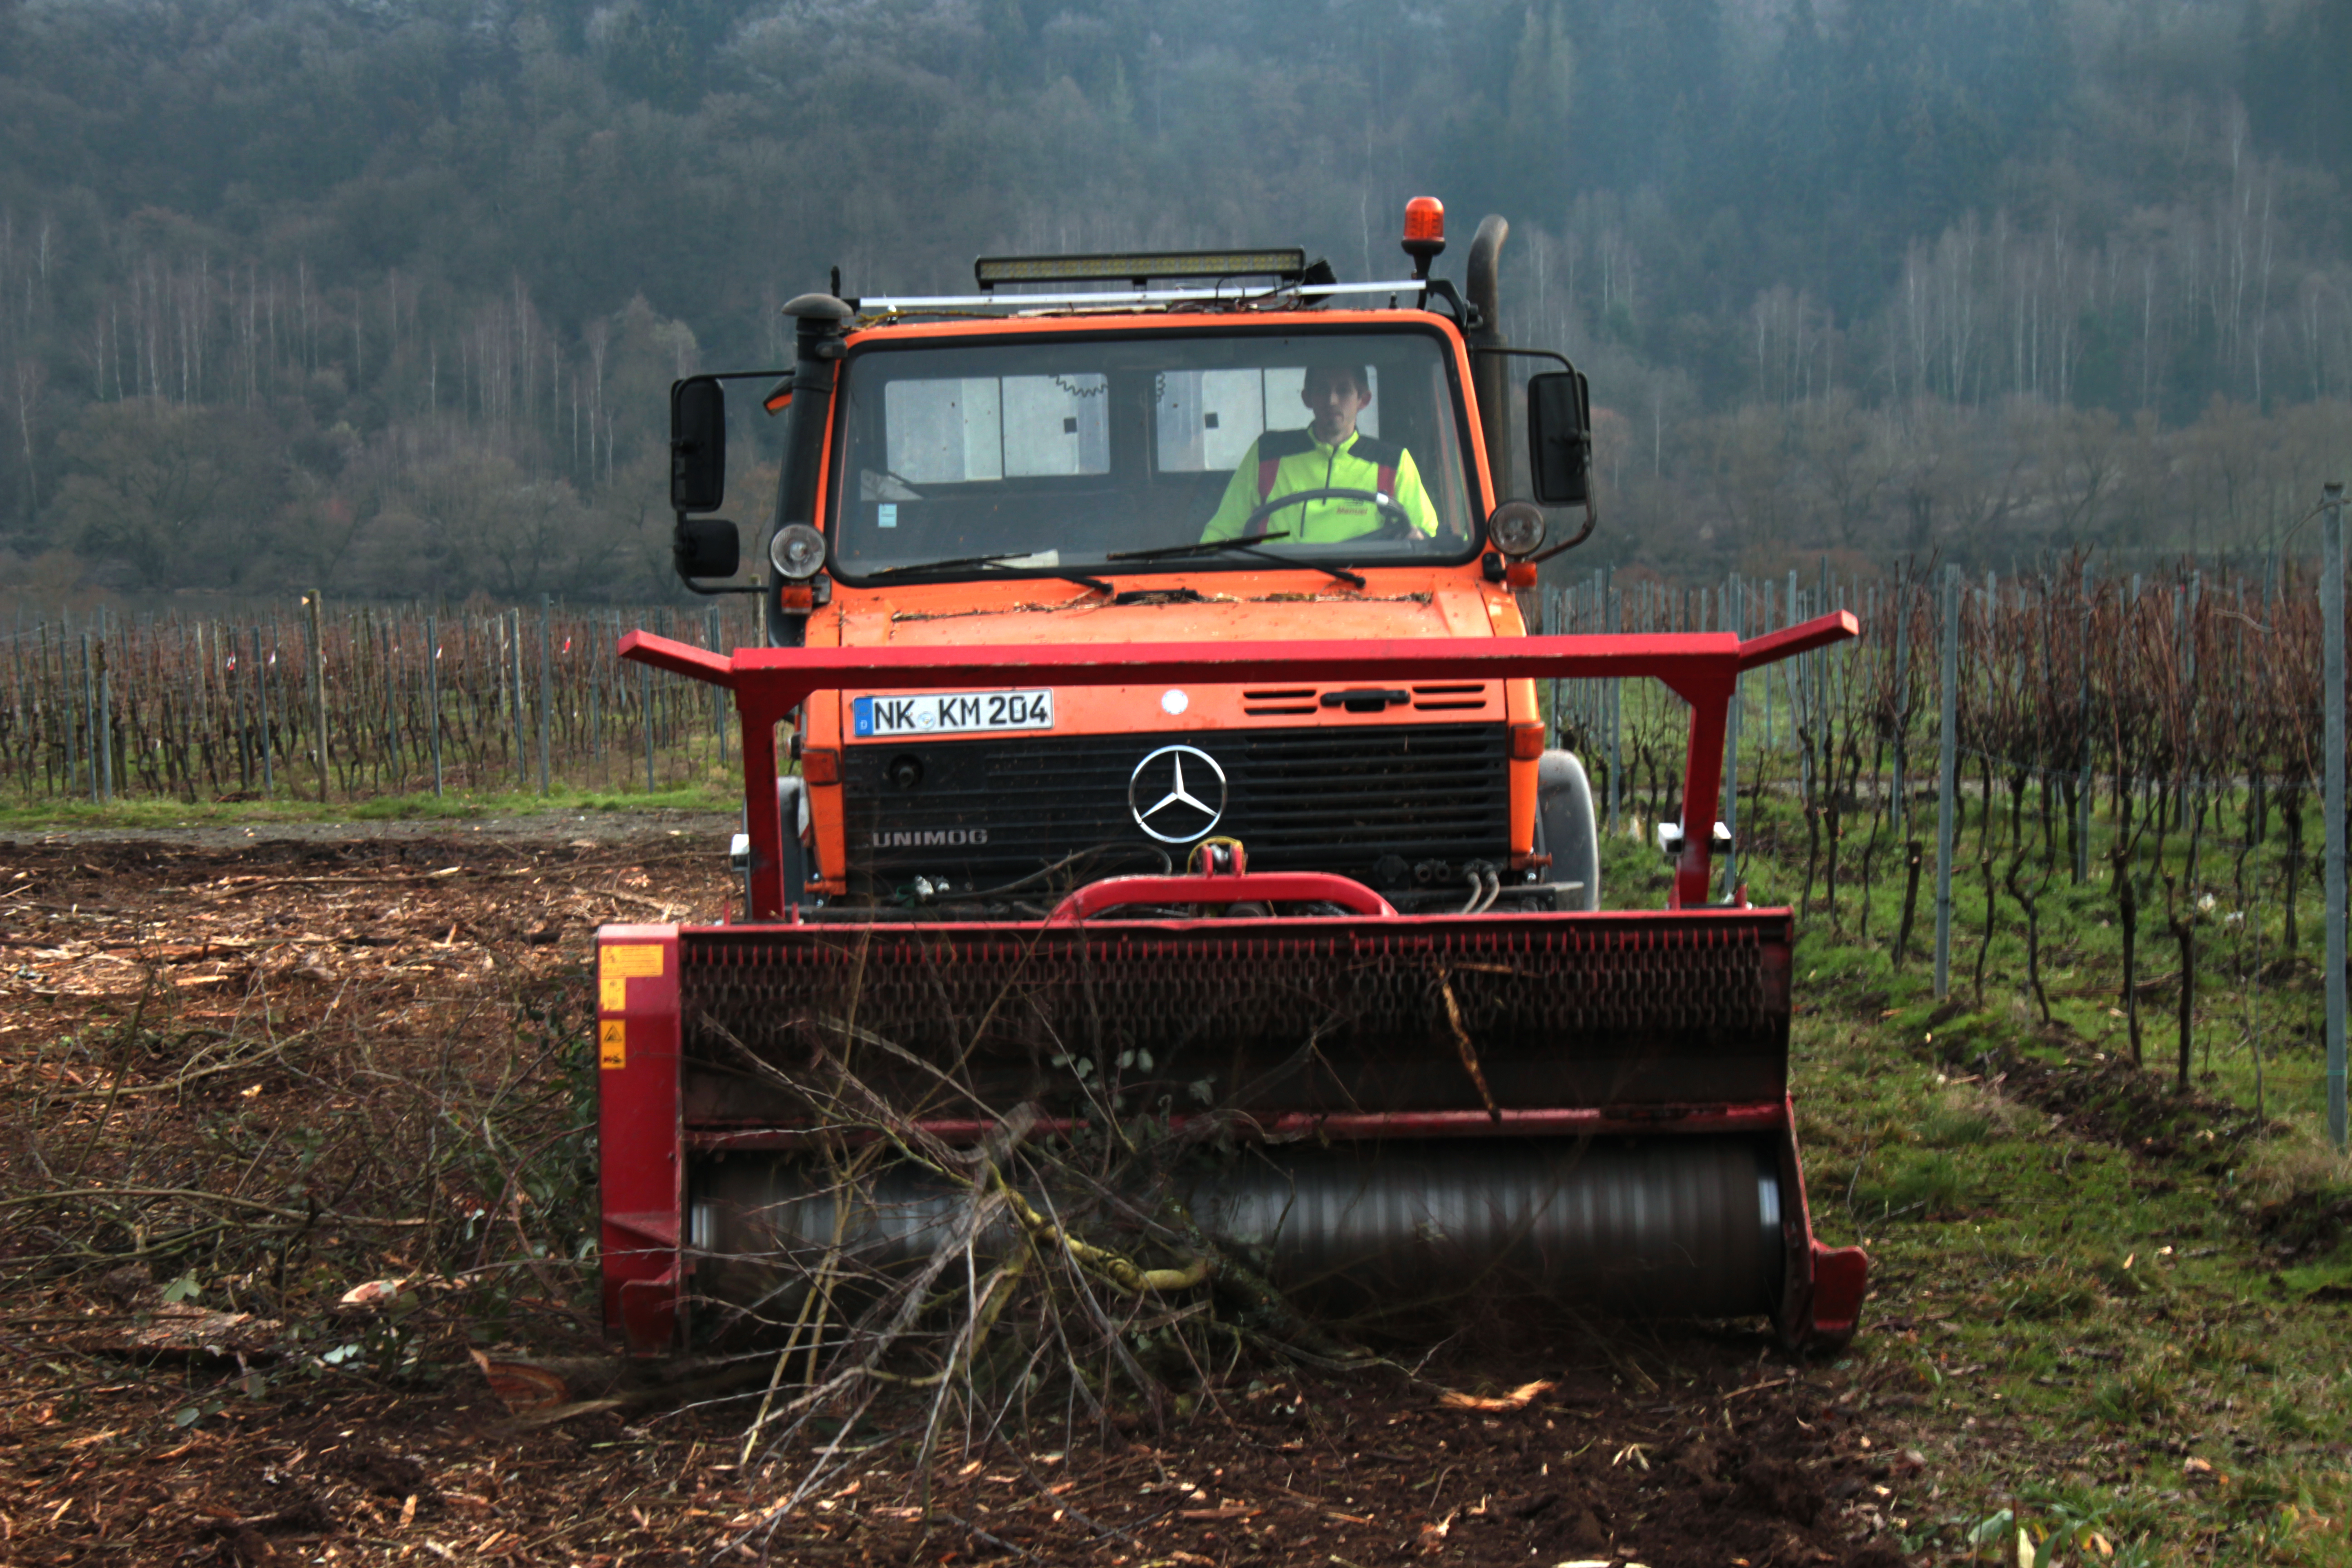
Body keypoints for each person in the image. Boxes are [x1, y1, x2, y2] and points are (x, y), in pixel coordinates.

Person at [1200, 363, 1440, 543]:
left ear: (1363, 400)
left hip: (1366, 594)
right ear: (1307, 398)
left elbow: (1428, 537)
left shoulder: (1394, 462)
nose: (1332, 400)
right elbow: (1221, 534)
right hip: (1273, 593)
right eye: (1322, 390)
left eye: (1344, 390)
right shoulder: (1267, 454)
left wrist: (1419, 540)